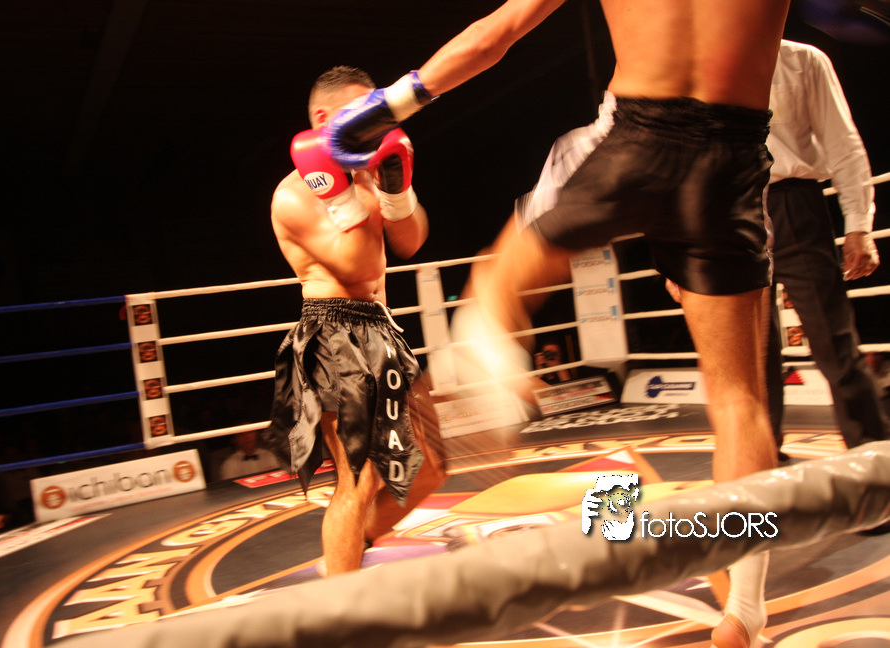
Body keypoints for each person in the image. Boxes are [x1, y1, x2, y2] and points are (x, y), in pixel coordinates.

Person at [322, 2, 790, 646]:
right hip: (730, 161)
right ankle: (746, 606)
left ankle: (490, 346)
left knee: (497, 283)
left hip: (639, 135)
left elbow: (496, 35)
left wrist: (390, 105)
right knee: (742, 402)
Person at [264, 66, 448, 576]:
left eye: (377, 110)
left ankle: (355, 544)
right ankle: (343, 602)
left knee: (431, 466)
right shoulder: (295, 193)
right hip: (333, 333)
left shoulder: (371, 170)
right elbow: (360, 265)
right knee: (358, 479)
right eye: (361, 112)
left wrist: (395, 185)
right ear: (324, 119)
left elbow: (410, 241)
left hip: (381, 329)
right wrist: (347, 194)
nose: (374, 121)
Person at [764, 39, 888, 454]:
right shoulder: (691, 58)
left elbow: (842, 141)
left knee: (834, 338)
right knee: (749, 353)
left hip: (793, 203)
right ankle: (759, 461)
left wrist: (859, 224)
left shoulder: (801, 60)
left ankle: (873, 456)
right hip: (723, 212)